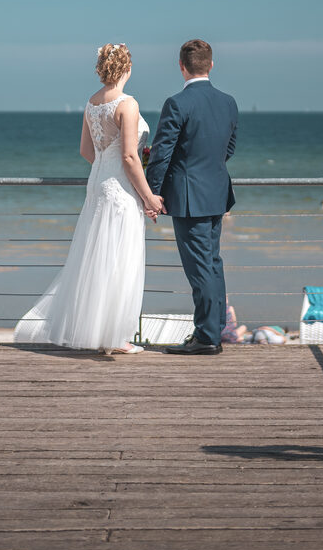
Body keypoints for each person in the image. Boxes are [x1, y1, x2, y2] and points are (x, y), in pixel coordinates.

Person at [16, 44, 163, 355]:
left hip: (97, 186)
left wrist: (105, 167)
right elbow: (129, 156)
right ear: (128, 69)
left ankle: (98, 333)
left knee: (96, 257)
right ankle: (115, 337)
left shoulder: (92, 103)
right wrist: (149, 197)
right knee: (119, 260)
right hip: (120, 191)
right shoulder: (128, 105)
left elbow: (86, 151)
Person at [146, 39, 239, 356]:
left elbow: (161, 154)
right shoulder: (228, 102)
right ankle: (213, 330)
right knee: (213, 264)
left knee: (201, 269)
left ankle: (207, 337)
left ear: (182, 67)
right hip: (216, 192)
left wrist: (152, 192)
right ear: (211, 65)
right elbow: (229, 149)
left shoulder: (177, 103)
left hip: (189, 198)